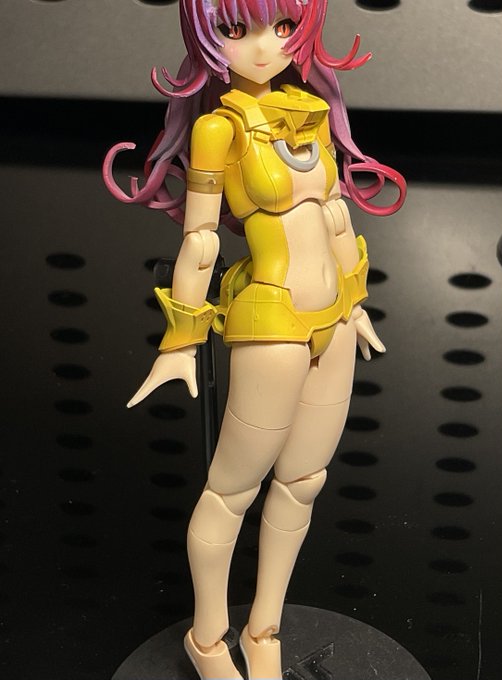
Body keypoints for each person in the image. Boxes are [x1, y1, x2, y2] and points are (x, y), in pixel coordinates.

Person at [103, 1, 406, 678]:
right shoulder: (218, 127)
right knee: (232, 490)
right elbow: (201, 240)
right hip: (271, 316)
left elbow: (335, 213)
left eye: (283, 27)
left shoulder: (310, 110)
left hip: (334, 316)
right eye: (236, 30)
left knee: (303, 481)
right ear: (206, 36)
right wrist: (181, 338)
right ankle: (208, 639)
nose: (265, 47)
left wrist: (357, 301)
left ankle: (264, 630)